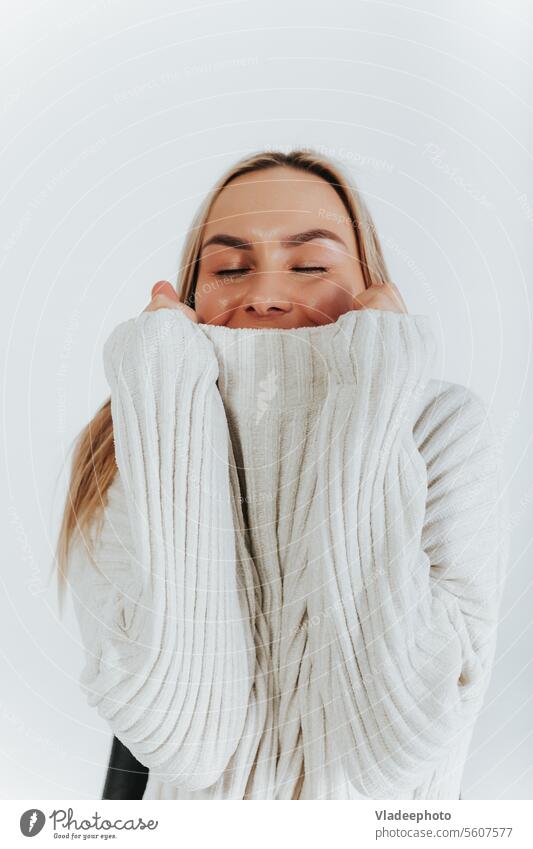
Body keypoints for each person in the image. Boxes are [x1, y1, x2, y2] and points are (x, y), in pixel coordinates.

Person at [55, 149, 508, 800]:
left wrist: (365, 403)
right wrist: (166, 406)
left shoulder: (440, 427)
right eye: (230, 267)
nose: (264, 295)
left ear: (368, 285)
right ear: (190, 294)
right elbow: (186, 740)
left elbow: (388, 745)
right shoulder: (134, 438)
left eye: (310, 265)